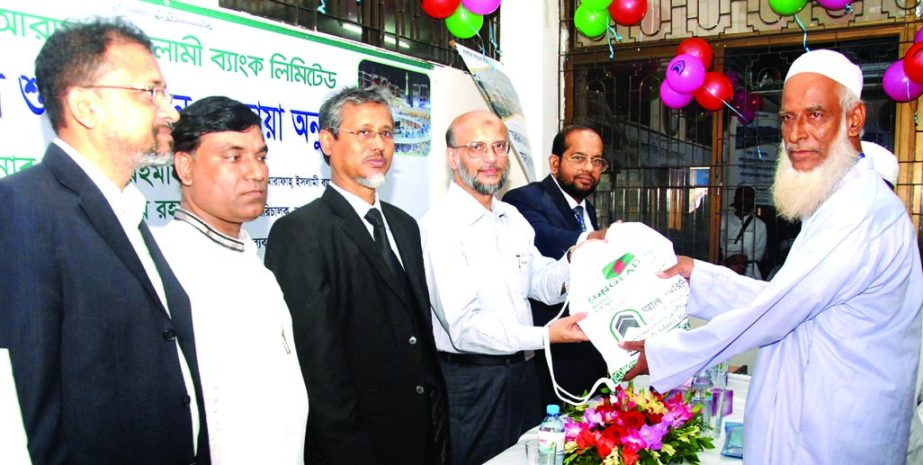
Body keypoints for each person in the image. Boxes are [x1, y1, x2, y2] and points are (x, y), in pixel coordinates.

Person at [621, 49, 923, 465]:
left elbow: (780, 310)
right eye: (787, 117)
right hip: (814, 417)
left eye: (815, 114)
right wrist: (699, 276)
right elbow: (789, 299)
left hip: (835, 431)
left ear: (853, 120)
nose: (796, 133)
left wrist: (663, 354)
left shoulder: (860, 212)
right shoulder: (836, 200)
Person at [0, 18, 210, 464]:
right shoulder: (22, 207)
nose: (170, 111)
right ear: (85, 106)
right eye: (149, 92)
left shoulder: (126, 211)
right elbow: (24, 405)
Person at [264, 86, 449, 465]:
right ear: (327, 141)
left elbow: (417, 339)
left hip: (420, 438)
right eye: (363, 132)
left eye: (386, 133)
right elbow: (318, 368)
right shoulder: (301, 232)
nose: (378, 145)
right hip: (359, 446)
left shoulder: (404, 225)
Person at [422, 110, 590, 465]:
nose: (491, 159)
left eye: (499, 147)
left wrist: (580, 257)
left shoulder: (511, 217)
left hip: (525, 377)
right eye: (477, 147)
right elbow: (466, 329)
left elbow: (542, 283)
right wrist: (544, 336)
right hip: (474, 384)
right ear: (453, 156)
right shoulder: (440, 227)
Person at [153, 96, 308, 464]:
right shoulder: (166, 267)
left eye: (261, 156)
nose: (256, 172)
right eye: (233, 157)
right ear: (185, 167)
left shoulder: (254, 264)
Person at [503, 125, 608, 404]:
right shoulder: (523, 199)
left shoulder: (586, 209)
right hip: (551, 357)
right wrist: (594, 239)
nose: (589, 167)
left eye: (596, 160)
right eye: (579, 158)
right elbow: (545, 238)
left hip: (590, 353)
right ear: (554, 162)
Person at [719, 185, 767, 279]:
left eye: (749, 196)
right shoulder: (724, 219)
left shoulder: (760, 225)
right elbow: (719, 245)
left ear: (753, 201)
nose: (745, 199)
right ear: (735, 198)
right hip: (727, 270)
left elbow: (759, 254)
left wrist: (742, 259)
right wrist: (730, 258)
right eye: (742, 196)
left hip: (750, 272)